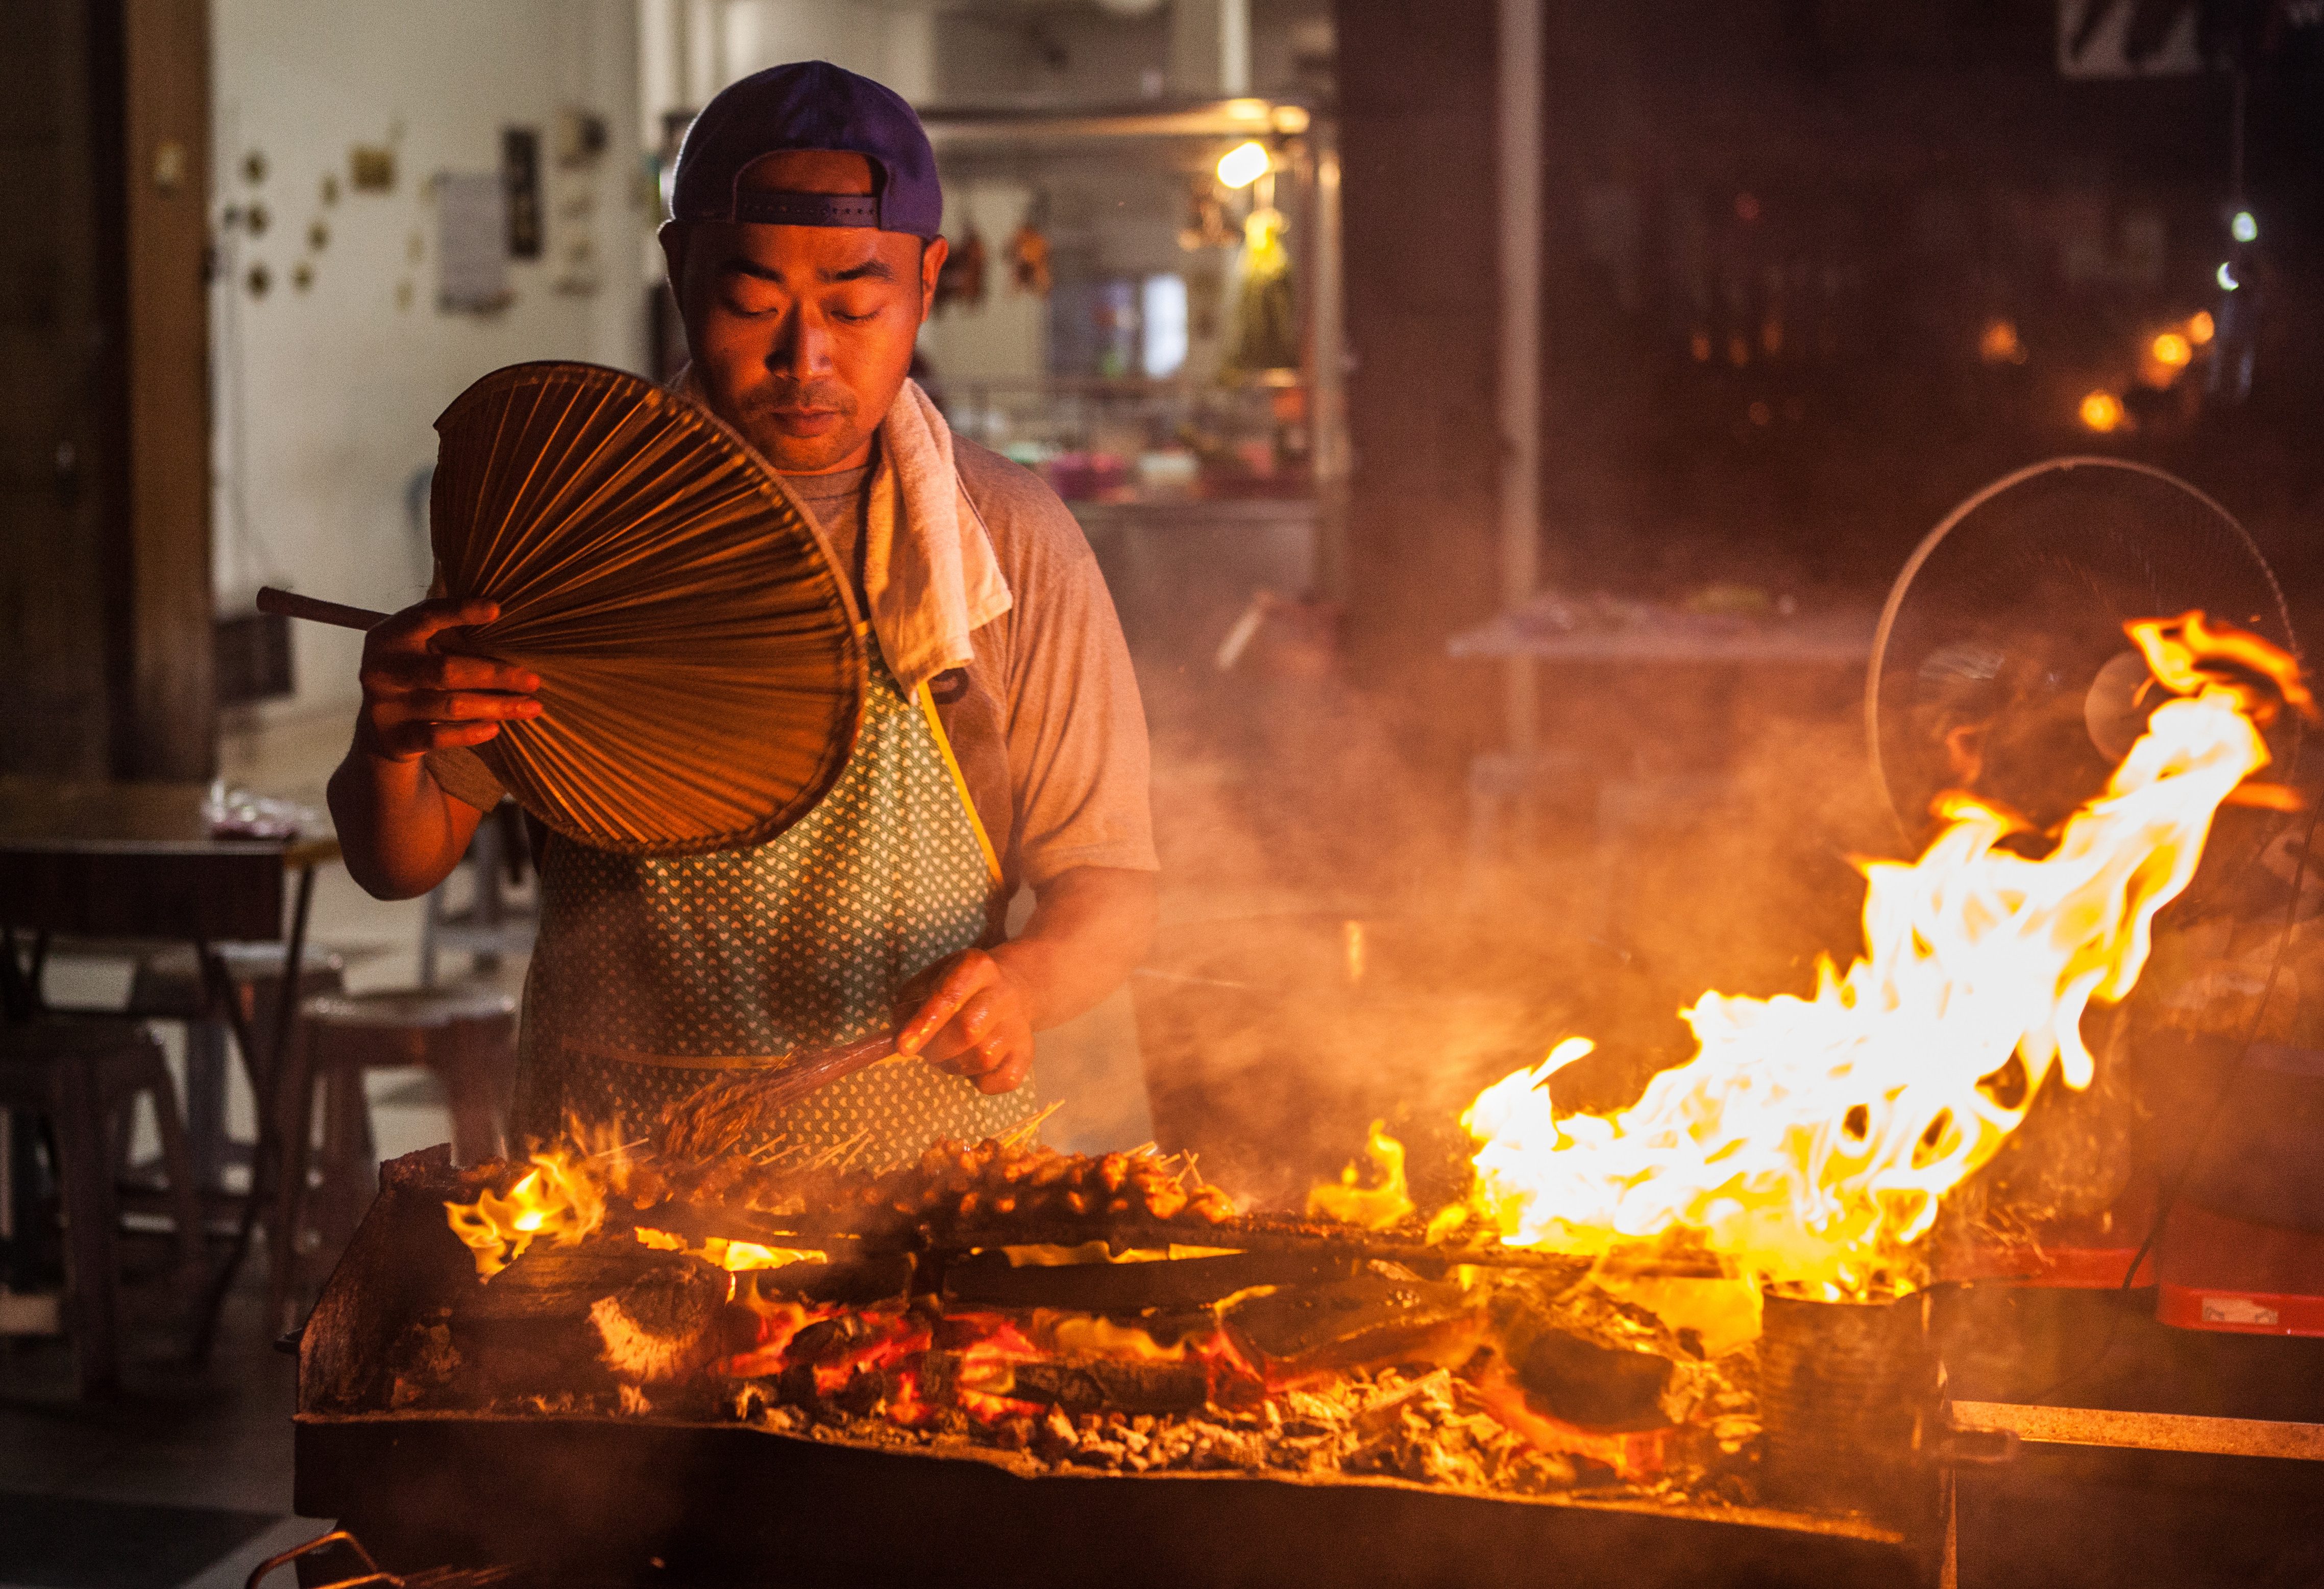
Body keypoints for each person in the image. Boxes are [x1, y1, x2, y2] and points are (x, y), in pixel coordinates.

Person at [327, 62, 1158, 1167]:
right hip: (616, 1186)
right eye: (752, 303)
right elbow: (404, 858)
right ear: (679, 274)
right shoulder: (573, 523)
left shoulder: (1006, 543)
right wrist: (388, 745)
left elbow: (1107, 886)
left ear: (927, 282)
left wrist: (1025, 983)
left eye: (856, 306)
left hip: (922, 1194)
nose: (804, 360)